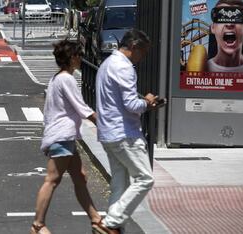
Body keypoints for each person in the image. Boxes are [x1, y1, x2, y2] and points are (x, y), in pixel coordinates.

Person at [30, 40, 104, 234]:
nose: (82, 58)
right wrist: (102, 122)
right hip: (61, 136)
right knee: (52, 179)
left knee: (80, 176)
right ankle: (38, 225)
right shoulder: (67, 79)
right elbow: (81, 107)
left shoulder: (57, 78)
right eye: (79, 55)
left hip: (64, 136)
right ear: (72, 58)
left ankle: (96, 219)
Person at [94, 29, 162, 234]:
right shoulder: (124, 67)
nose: (143, 57)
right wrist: (148, 103)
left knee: (120, 183)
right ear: (134, 47)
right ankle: (111, 222)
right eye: (143, 52)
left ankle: (114, 228)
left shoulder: (106, 64)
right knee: (145, 178)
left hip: (108, 132)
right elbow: (131, 104)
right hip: (124, 133)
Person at [207, 0, 243, 72]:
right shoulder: (202, 68)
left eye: (237, 18)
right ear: (213, 28)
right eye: (222, 18)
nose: (229, 24)